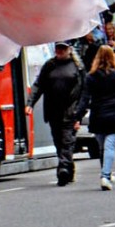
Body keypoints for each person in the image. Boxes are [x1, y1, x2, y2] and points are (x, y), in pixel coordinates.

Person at [76, 44, 115, 190]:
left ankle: (106, 172)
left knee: (102, 146)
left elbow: (84, 98)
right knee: (109, 146)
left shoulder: (91, 76)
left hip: (98, 115)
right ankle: (106, 175)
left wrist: (77, 116)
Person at [28, 40, 84, 186]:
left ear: (69, 50)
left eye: (63, 48)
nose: (60, 50)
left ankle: (63, 169)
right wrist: (30, 103)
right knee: (58, 141)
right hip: (53, 111)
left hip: (70, 111)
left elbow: (84, 90)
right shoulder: (50, 65)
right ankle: (69, 167)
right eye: (58, 48)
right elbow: (39, 85)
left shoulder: (77, 67)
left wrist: (80, 112)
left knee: (67, 140)